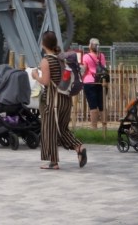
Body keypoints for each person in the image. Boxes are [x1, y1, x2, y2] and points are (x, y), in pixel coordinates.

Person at [33, 30, 86, 170]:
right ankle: (79, 147)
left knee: (50, 130)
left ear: (43, 44)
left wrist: (35, 76)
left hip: (53, 101)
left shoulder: (46, 60)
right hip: (66, 100)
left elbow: (45, 81)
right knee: (62, 129)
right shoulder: (61, 58)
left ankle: (53, 162)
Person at [81, 38, 107, 131]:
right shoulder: (101, 56)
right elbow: (104, 68)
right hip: (100, 81)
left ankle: (94, 127)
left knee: (93, 106)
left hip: (89, 82)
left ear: (90, 46)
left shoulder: (86, 56)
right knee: (102, 105)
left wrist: (80, 77)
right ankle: (104, 127)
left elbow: (84, 69)